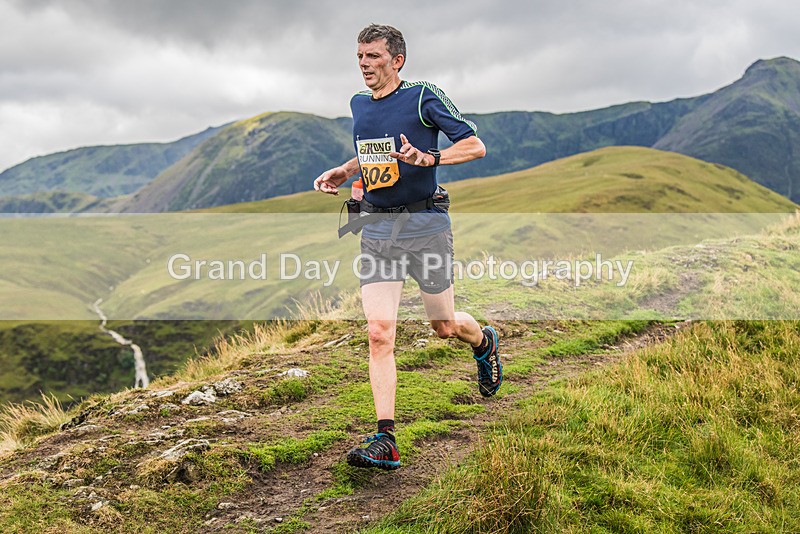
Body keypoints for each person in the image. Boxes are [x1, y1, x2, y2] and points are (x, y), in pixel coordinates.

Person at [314, 24, 502, 470]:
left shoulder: (422, 96)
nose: (364, 64)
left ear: (397, 60)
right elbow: (374, 151)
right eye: (360, 56)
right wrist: (345, 170)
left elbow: (474, 146)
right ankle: (387, 438)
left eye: (374, 56)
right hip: (379, 229)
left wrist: (430, 157)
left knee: (444, 326)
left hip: (426, 224)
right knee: (379, 333)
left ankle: (484, 341)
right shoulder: (359, 104)